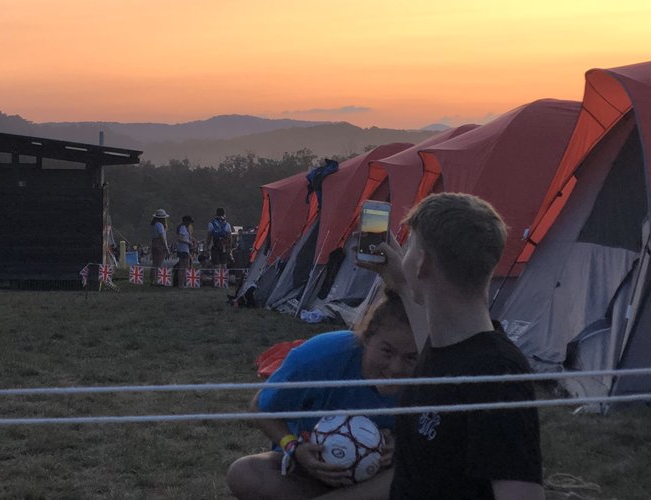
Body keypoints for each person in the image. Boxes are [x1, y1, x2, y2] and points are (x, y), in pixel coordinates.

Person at [373, 193, 544, 500]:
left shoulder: (496, 374)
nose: (406, 254)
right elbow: (437, 345)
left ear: (422, 262)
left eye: (411, 245)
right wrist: (400, 281)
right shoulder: (450, 348)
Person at [226, 291, 417, 499]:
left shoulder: (430, 374)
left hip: (379, 480)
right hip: (310, 475)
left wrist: (402, 445)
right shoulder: (323, 355)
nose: (396, 368)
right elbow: (260, 406)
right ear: (366, 338)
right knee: (244, 473)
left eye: (411, 357)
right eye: (387, 352)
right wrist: (294, 447)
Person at [174, 214, 195, 286]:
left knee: (184, 266)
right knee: (184, 267)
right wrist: (189, 242)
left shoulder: (184, 228)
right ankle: (181, 283)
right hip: (183, 249)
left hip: (184, 249)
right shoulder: (182, 227)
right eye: (189, 222)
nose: (190, 223)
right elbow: (180, 238)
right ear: (186, 221)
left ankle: (182, 283)